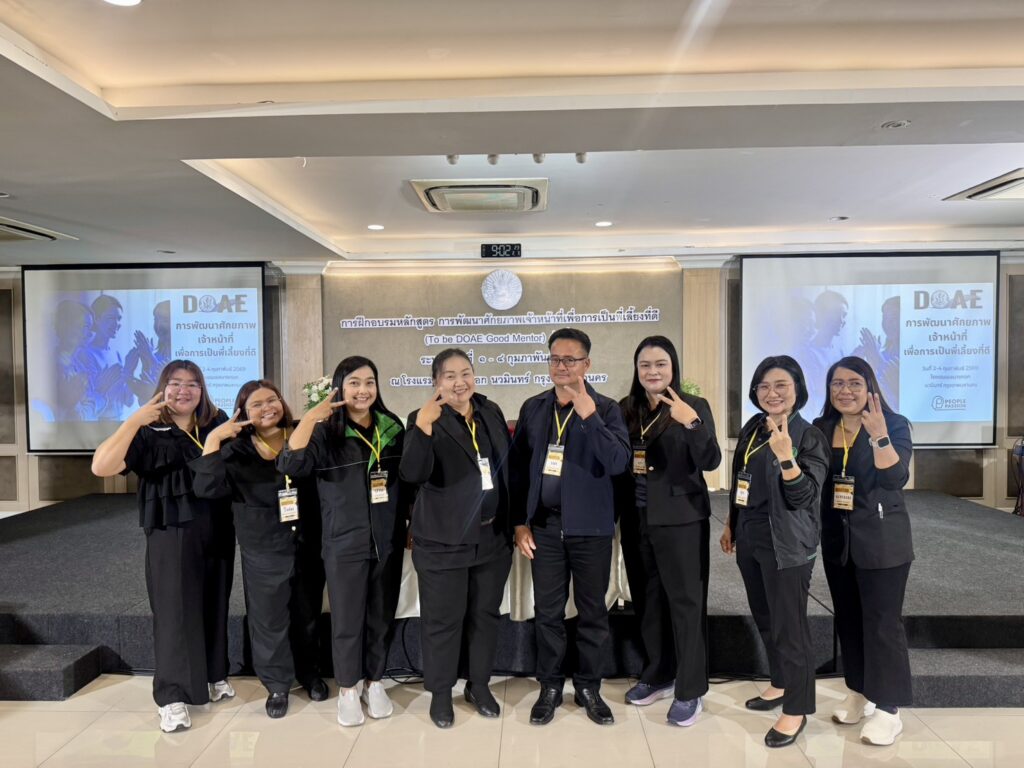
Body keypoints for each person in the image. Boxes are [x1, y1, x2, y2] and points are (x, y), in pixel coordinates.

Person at [91, 360, 234, 733]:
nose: (184, 390)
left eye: (192, 383)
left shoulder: (215, 424)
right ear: (162, 387)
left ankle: (213, 675)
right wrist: (133, 421)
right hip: (171, 530)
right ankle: (171, 697)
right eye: (175, 383)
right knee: (174, 612)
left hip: (216, 525)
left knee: (214, 600)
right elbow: (101, 467)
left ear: (202, 390)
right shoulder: (147, 431)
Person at [510, 328, 631, 726]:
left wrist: (589, 416)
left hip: (591, 530)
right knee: (548, 613)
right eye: (555, 359)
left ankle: (589, 686)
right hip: (544, 528)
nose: (561, 366)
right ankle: (549, 686)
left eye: (570, 360)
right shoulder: (534, 408)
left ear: (587, 364)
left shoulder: (606, 409)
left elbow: (618, 462)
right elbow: (518, 470)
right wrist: (519, 523)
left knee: (593, 612)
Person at [278, 356, 405, 727]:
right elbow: (290, 464)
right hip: (343, 541)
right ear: (339, 388)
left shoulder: (392, 427)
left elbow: (406, 483)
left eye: (369, 382)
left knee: (381, 616)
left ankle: (374, 682)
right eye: (354, 383)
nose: (362, 390)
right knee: (347, 621)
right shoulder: (324, 433)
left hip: (386, 539)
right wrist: (311, 418)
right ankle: (348, 689)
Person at [191, 380, 328, 718]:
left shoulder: (303, 434)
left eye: (272, 400)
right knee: (269, 619)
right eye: (257, 404)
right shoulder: (235, 449)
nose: (267, 408)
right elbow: (206, 487)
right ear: (243, 412)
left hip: (307, 540)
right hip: (263, 544)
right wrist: (213, 439)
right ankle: (277, 685)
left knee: (307, 612)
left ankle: (310, 673)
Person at [399, 348, 513, 729]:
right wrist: (423, 428)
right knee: (443, 621)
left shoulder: (489, 411)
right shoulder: (424, 417)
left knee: (484, 616)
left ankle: (478, 685)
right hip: (443, 541)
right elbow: (413, 473)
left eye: (466, 373)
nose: (459, 382)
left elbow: (505, 468)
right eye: (449, 376)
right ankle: (441, 693)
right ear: (436, 382)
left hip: (491, 538)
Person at [720, 355, 829, 748]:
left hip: (787, 542)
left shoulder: (808, 436)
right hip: (751, 534)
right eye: (764, 386)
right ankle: (781, 682)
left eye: (781, 385)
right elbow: (742, 478)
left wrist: (787, 457)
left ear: (798, 389)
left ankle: (797, 708)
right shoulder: (754, 427)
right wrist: (732, 521)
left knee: (790, 626)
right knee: (765, 616)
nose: (772, 393)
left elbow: (804, 497)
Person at [616, 336, 721, 727]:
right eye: (645, 365)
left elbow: (711, 460)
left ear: (673, 367)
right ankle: (659, 673)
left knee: (686, 604)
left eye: (660, 364)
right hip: (637, 518)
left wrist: (691, 423)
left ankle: (690, 689)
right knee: (648, 601)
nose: (653, 371)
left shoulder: (694, 407)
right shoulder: (626, 408)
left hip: (682, 520)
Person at [813, 355, 914, 746]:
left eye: (854, 383)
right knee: (849, 619)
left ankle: (888, 708)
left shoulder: (894, 424)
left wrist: (879, 436)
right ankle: (859, 691)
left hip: (882, 541)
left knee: (882, 624)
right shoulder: (823, 428)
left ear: (870, 387)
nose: (845, 391)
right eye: (837, 383)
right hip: (838, 541)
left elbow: (894, 478)